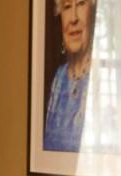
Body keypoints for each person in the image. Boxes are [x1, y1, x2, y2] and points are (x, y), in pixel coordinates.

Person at [43, 0, 95, 152]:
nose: (73, 18)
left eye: (80, 4)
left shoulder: (103, 77)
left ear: (93, 11)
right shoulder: (59, 78)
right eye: (66, 7)